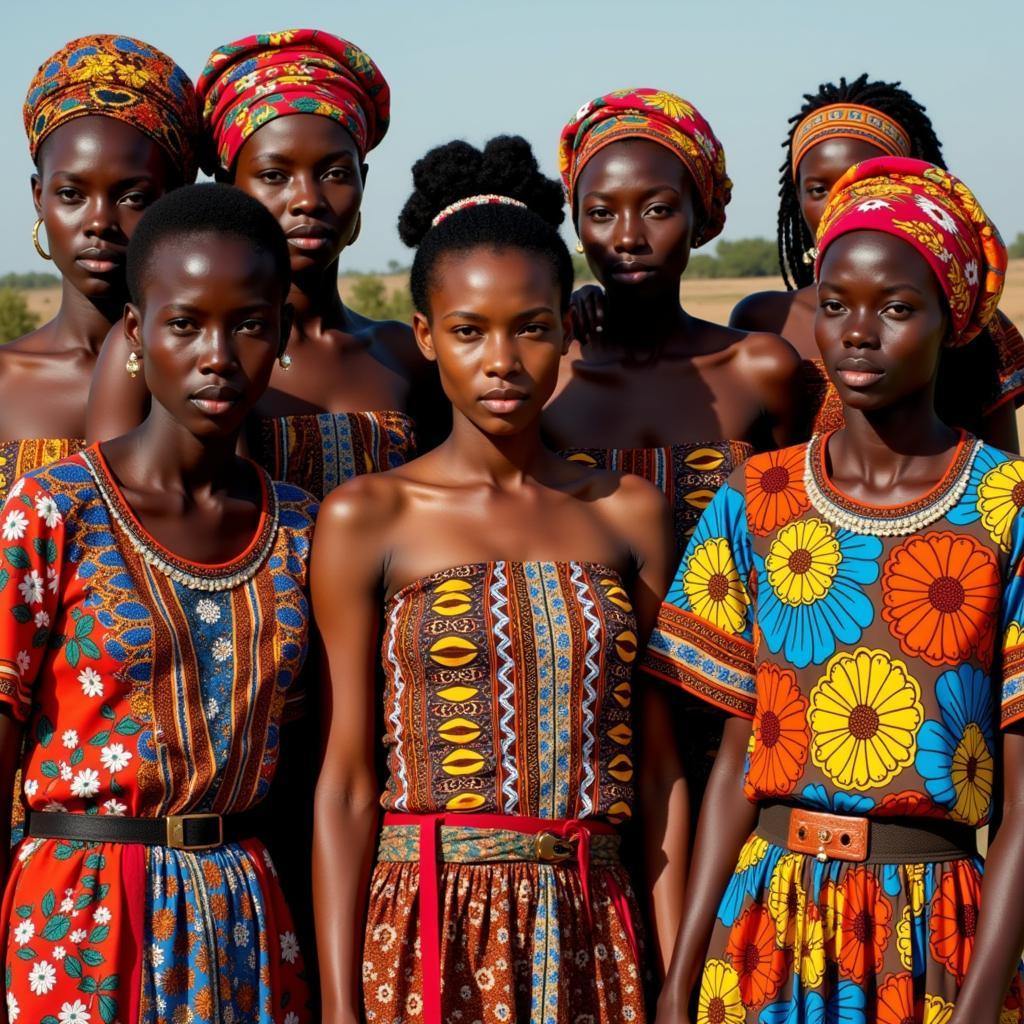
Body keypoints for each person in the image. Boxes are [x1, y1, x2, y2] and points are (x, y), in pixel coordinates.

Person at [312, 136, 685, 1023]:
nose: (503, 361)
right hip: (421, 931)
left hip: (596, 928)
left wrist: (673, 980)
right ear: (426, 338)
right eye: (470, 331)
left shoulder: (626, 511)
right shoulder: (369, 517)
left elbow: (664, 770)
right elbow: (348, 782)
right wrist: (337, 1003)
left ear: (567, 329)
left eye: (532, 327)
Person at [646, 157, 1024, 1023]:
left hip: (930, 934)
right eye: (835, 303)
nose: (858, 331)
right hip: (763, 929)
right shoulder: (758, 498)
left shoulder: (1008, 509)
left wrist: (977, 1007)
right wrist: (681, 977)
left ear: (951, 321)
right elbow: (734, 762)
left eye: (896, 308)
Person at [0, 184, 315, 1023]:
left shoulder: (303, 532)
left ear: (280, 336)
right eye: (184, 324)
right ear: (137, 335)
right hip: (74, 920)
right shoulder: (55, 510)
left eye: (249, 324)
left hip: (245, 919)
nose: (218, 354)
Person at [547, 88, 802, 815]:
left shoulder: (759, 370)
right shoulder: (553, 381)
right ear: (577, 225)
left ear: (701, 218)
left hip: (741, 719)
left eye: (657, 208)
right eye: (601, 213)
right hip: (589, 732)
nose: (628, 235)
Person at [89, 28, 439, 499]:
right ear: (229, 184)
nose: (308, 200)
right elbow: (112, 514)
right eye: (275, 175)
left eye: (335, 173)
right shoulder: (157, 347)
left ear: (363, 181)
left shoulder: (403, 355)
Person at [730, 75, 1024, 447]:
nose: (843, 202)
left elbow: (1004, 477)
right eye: (819, 189)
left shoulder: (971, 325)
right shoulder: (764, 321)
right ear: (796, 198)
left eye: (866, 184)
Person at [1, 34, 198, 503]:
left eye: (132, 197)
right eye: (71, 194)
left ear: (173, 201)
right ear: (38, 198)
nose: (99, 223)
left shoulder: (211, 375)